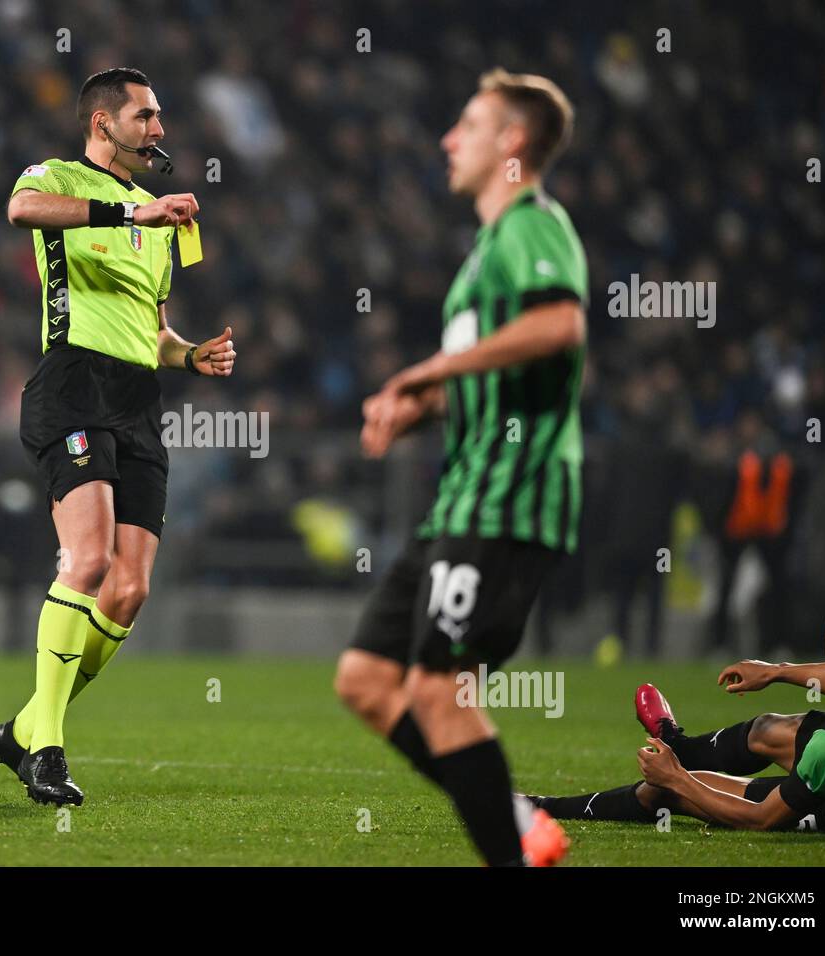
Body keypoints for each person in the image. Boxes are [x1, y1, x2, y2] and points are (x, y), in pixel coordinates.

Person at [334, 68, 587, 866]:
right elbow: (492, 365)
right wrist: (426, 405)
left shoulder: (532, 225)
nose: (449, 139)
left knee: (442, 692)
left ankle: (511, 849)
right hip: (462, 501)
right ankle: (512, 816)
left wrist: (428, 372)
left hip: (510, 500)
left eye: (468, 125)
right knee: (368, 682)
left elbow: (560, 325)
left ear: (512, 142)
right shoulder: (483, 252)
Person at [0, 67, 236, 806]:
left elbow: (152, 330)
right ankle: (50, 753)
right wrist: (131, 218)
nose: (159, 129)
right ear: (104, 123)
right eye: (146, 116)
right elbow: (21, 210)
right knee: (88, 560)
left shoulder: (164, 221)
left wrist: (190, 354)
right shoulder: (59, 176)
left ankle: (24, 731)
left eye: (160, 117)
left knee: (128, 590)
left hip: (136, 400)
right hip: (72, 388)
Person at [526, 592, 825, 832]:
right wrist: (775, 671)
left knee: (667, 791)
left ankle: (542, 807)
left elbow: (761, 818)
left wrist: (677, 777)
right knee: (766, 730)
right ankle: (681, 748)